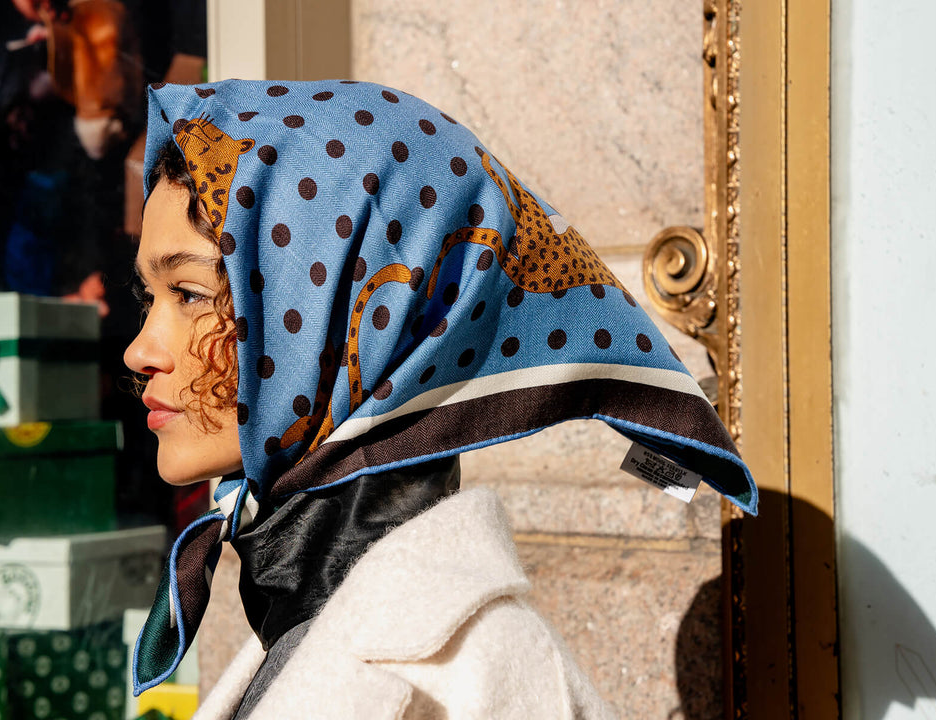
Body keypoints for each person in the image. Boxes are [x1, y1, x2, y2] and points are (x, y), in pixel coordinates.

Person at [124, 79, 757, 719]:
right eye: (152, 297)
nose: (139, 350)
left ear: (344, 316)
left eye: (190, 293)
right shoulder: (289, 618)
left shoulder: (480, 674)